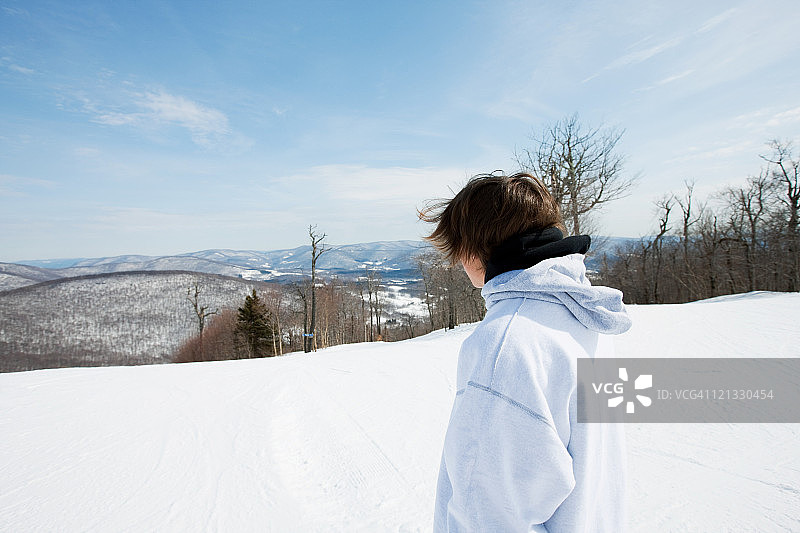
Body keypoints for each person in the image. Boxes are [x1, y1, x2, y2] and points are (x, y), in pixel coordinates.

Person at [419, 172, 632, 532]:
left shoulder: (505, 343)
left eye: (458, 248)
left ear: (473, 249)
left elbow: (486, 511)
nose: (457, 261)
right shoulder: (585, 317)